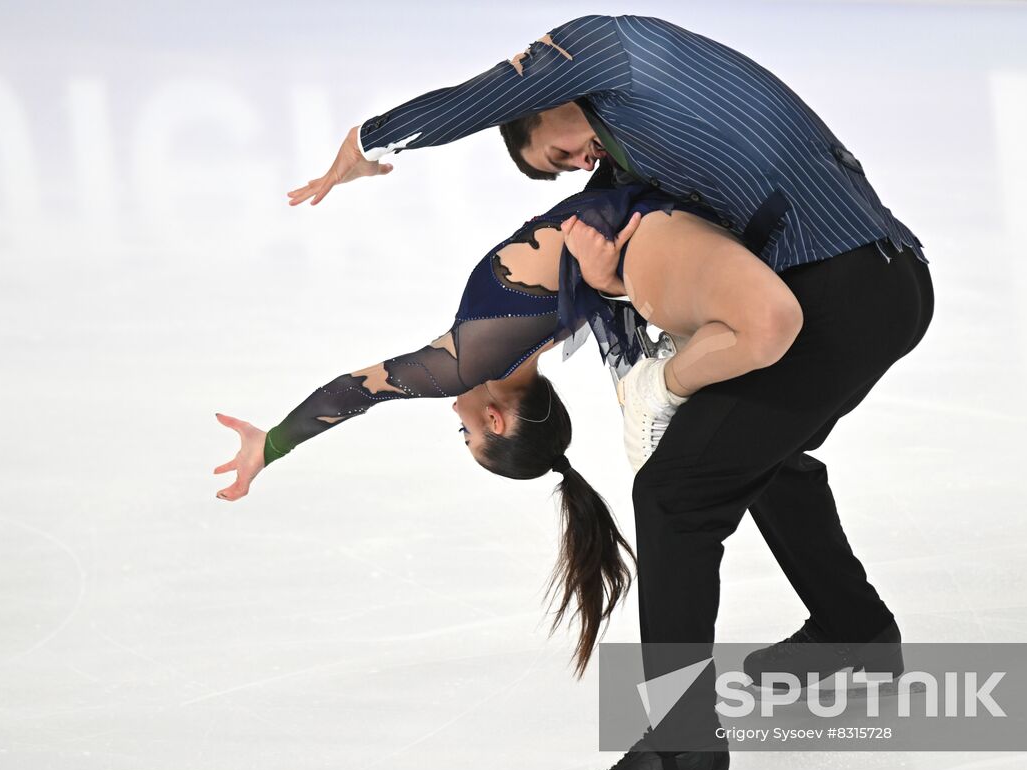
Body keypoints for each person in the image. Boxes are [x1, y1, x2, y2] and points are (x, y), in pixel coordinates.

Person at [282, 14, 934, 770]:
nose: (579, 162)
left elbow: (493, 91)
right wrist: (619, 286)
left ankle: (679, 749)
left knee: (673, 494)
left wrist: (372, 137)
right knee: (745, 456)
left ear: (544, 105)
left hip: (841, 291)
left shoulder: (607, 51)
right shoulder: (635, 138)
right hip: (877, 281)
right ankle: (852, 630)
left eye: (558, 153)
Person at [214, 181, 803, 683]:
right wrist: (271, 445)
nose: (455, 419)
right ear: (495, 419)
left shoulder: (546, 335)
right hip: (649, 201)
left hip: (657, 204)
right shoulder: (470, 363)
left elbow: (354, 394)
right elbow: (355, 392)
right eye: (467, 435)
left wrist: (273, 445)